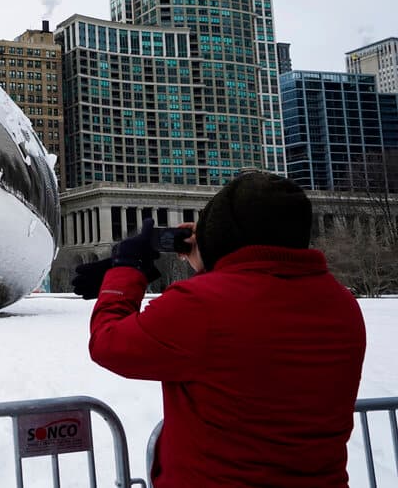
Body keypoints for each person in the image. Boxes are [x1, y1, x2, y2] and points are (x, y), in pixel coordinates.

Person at [72, 171, 366, 487]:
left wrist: (126, 270)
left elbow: (109, 343)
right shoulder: (342, 304)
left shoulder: (202, 307)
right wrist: (216, 266)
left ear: (224, 232)